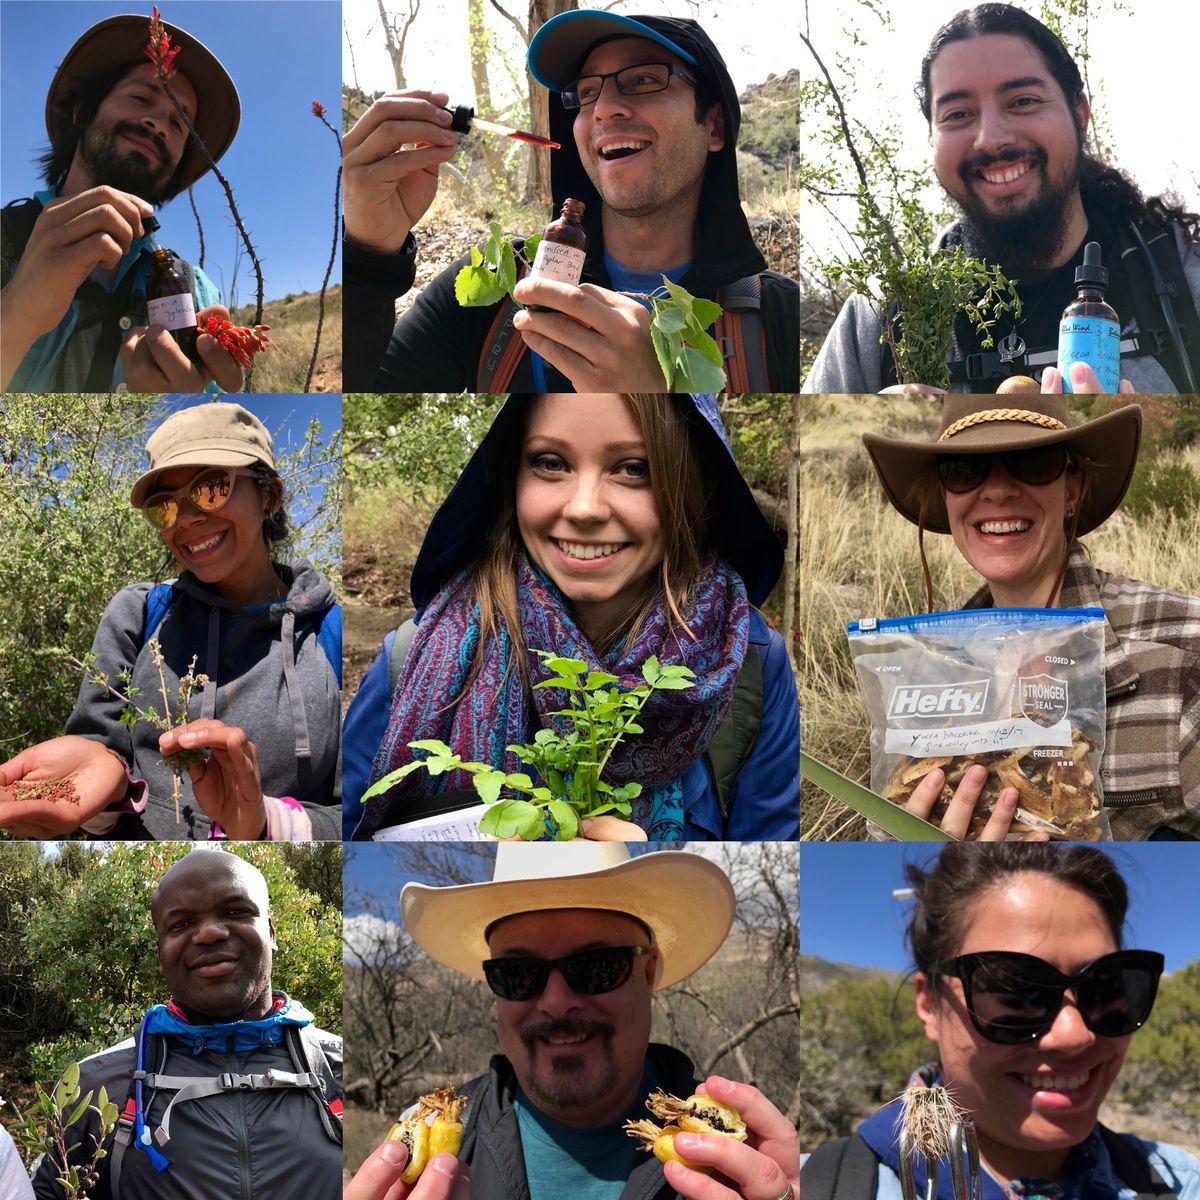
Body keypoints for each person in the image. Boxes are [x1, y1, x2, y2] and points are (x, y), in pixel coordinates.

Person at [345, 394, 799, 841]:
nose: (584, 509)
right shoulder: (410, 660)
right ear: (511, 476)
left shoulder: (745, 663)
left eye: (634, 468)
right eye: (550, 462)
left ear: (691, 484)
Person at [342, 11, 800, 392]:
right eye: (586, 92)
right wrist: (369, 254)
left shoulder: (777, 319)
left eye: (642, 79)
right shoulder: (494, 283)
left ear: (715, 128)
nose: (603, 109)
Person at [346, 841, 800, 1200]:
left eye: (596, 967)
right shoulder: (417, 1146)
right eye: (518, 975)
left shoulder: (745, 1157)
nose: (556, 1001)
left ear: (647, 972)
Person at [805, 3, 1200, 395]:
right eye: (958, 114)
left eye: (1023, 100)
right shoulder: (880, 316)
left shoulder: (1183, 276)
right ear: (931, 136)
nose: (991, 138)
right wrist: (875, 439)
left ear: (1079, 114)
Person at [0, 402, 342, 841]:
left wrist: (267, 824)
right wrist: (103, 797)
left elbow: (355, 816)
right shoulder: (139, 614)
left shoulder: (330, 633)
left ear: (268, 496)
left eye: (212, 488)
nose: (187, 519)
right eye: (164, 507)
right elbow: (99, 756)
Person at [860, 396, 1200, 838]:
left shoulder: (1182, 645)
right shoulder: (921, 675)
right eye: (963, 471)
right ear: (945, 497)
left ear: (1073, 490)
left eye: (1033, 462)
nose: (998, 490)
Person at [801, 842, 1200, 1198]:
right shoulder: (812, 1185)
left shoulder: (1178, 1183)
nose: (1073, 1034)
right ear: (928, 1003)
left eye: (1105, 986)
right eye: (1015, 988)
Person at [27, 850, 343, 1200]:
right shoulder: (92, 1088)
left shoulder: (349, 1070)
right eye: (180, 924)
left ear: (270, 931)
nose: (208, 933)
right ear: (160, 953)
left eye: (236, 911)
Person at [0, 12, 244, 392]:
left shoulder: (195, 290)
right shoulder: (5, 237)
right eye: (140, 97)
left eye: (179, 122)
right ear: (82, 110)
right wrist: (14, 317)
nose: (160, 124)